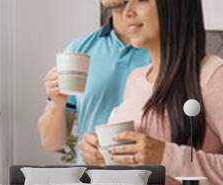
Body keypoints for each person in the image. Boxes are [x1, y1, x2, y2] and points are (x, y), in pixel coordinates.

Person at [90, 0, 223, 185]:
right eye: (126, 2)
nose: (127, 11)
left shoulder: (214, 75)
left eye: (142, 0)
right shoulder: (135, 79)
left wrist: (164, 155)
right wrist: (100, 156)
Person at [38, 0, 151, 164]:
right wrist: (57, 103)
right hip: (92, 182)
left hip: (148, 180)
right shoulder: (80, 50)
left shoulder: (165, 51)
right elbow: (52, 143)